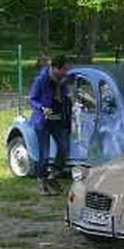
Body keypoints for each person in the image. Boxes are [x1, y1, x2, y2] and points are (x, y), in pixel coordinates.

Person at [28, 54, 71, 196]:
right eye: (64, 69)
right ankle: (42, 181)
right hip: (43, 119)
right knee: (44, 155)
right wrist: (42, 108)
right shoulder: (42, 80)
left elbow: (66, 97)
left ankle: (54, 175)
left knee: (64, 148)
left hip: (58, 118)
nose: (66, 71)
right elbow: (32, 99)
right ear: (55, 68)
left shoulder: (64, 80)